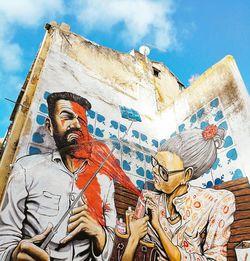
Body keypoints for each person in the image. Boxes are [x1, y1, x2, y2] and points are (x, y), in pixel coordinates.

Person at [0, 91, 139, 261]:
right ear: (50, 126)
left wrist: (99, 234)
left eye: (81, 120)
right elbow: (5, 240)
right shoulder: (28, 169)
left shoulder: (104, 180)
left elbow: (111, 246)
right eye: (67, 116)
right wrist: (14, 255)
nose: (76, 125)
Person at [122, 125, 236, 261]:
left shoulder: (215, 202)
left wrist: (158, 228)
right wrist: (133, 233)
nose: (155, 172)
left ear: (186, 176)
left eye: (163, 172)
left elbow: (215, 259)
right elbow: (138, 243)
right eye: (155, 163)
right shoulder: (150, 199)